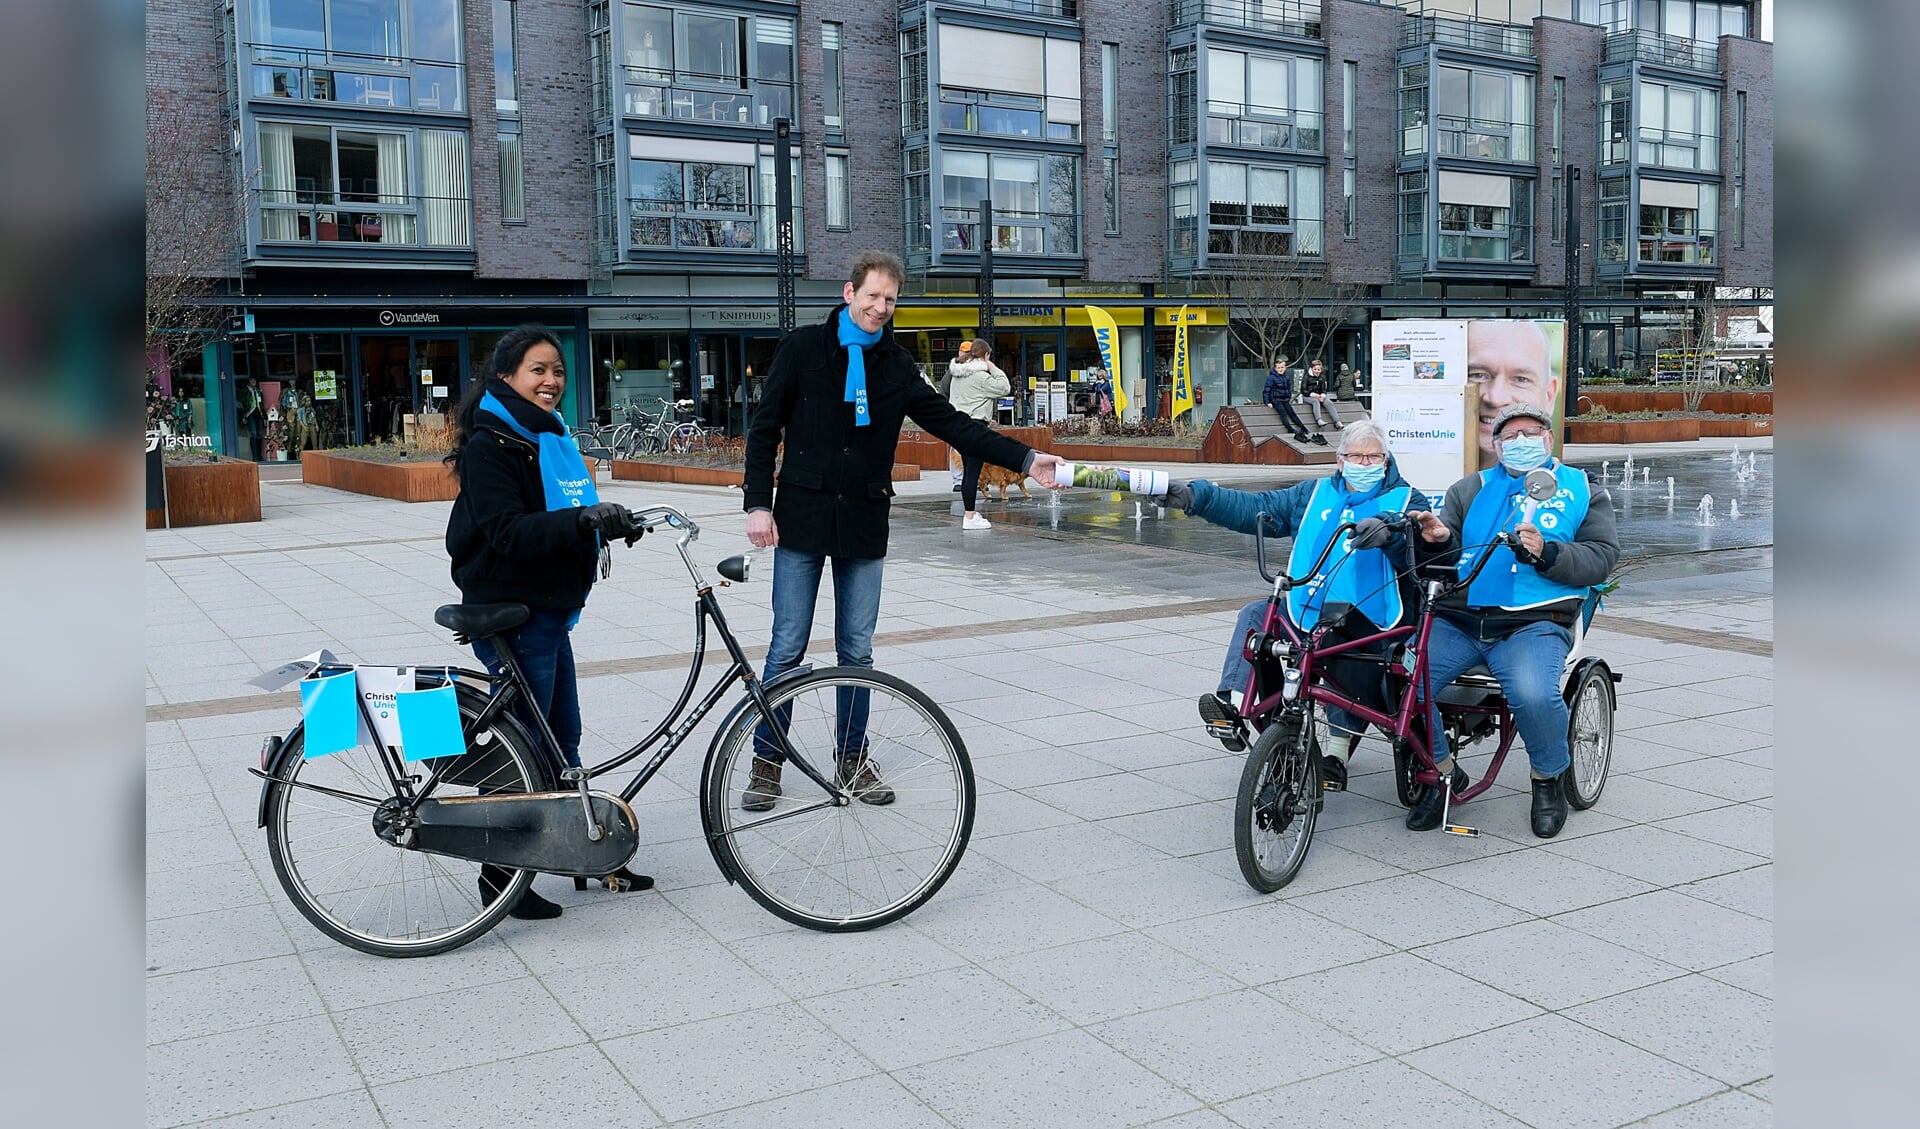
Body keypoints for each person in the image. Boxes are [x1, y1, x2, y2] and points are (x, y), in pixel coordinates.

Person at [741, 250, 1067, 809]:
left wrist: (1023, 457)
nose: (880, 307)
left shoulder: (896, 367)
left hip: (864, 519)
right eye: (871, 296)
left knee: (857, 652)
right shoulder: (802, 348)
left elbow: (955, 424)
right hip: (801, 514)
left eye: (889, 300)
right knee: (786, 647)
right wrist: (757, 504)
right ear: (850, 294)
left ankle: (851, 757)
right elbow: (765, 425)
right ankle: (767, 761)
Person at [444, 324, 655, 919]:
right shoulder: (493, 443)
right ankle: (500, 879)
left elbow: (565, 512)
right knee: (529, 751)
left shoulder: (550, 436)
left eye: (557, 371)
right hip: (513, 609)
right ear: (507, 376)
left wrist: (611, 522)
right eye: (538, 370)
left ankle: (585, 853)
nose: (551, 381)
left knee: (562, 740)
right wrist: (583, 521)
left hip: (548, 610)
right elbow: (507, 531)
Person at [1165, 419, 1431, 790]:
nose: (1365, 463)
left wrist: (1389, 533)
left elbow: (1422, 547)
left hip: (1373, 620)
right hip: (1307, 607)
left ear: (1387, 461)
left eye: (1374, 457)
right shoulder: (1313, 493)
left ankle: (1336, 751)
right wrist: (1198, 498)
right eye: (1357, 456)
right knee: (1257, 616)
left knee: (1335, 640)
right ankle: (1234, 705)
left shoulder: (1407, 498)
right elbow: (1256, 508)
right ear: (1340, 460)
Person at [1406, 402, 1619, 838]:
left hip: (1534, 622)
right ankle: (1442, 771)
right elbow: (1442, 557)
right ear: (1496, 444)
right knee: (1401, 681)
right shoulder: (1469, 488)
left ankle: (1547, 777)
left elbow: (1602, 558)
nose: (1521, 442)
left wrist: (1548, 552)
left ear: (1548, 439)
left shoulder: (1583, 488)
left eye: (1531, 433)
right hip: (1462, 618)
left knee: (1533, 694)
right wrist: (1436, 540)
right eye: (1511, 436)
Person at [1467, 320, 1562, 472]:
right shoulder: (1459, 493)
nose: (1496, 399)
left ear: (1549, 396)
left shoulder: (1578, 487)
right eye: (1478, 375)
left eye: (1521, 379)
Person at [946, 340, 1013, 530]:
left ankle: (970, 514)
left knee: (969, 470)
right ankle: (969, 516)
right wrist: (992, 367)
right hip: (975, 426)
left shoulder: (958, 375)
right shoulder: (981, 377)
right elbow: (1004, 387)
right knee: (972, 472)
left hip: (958, 426)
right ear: (985, 355)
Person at [1262, 355, 1318, 444]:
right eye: (1279, 368)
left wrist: (1288, 397)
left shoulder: (1286, 377)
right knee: (1283, 413)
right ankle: (1291, 429)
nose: (1280, 369)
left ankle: (1303, 428)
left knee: (1292, 413)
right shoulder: (1271, 378)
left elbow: (1288, 388)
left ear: (1285, 368)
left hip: (1285, 399)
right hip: (1276, 400)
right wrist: (1267, 402)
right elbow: (1266, 390)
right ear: (1275, 369)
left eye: (1282, 367)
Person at [1302, 358, 1344, 431]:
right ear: (1312, 369)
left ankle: (1337, 421)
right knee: (1315, 401)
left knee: (1329, 402)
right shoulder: (1306, 377)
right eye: (1315, 369)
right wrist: (1315, 395)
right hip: (1308, 396)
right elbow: (1303, 390)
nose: (1317, 371)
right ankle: (1319, 420)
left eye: (1318, 370)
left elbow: (1324, 389)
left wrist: (1322, 395)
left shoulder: (1322, 377)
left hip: (1319, 396)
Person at [238, 379, 264, 460]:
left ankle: (259, 456)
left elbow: (261, 403)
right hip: (249, 414)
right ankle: (255, 456)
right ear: (249, 381)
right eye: (252, 380)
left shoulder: (258, 391)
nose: (254, 382)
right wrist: (243, 415)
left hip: (259, 414)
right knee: (254, 435)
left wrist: (264, 416)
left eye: (255, 380)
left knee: (260, 435)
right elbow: (241, 403)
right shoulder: (245, 391)